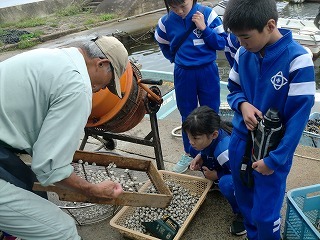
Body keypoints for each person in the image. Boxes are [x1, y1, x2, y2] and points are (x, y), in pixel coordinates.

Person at [0, 35, 127, 240]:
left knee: (31, 188)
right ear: (102, 64)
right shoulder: (78, 85)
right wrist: (92, 190)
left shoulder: (52, 56)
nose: (103, 89)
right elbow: (50, 169)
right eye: (109, 83)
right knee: (63, 231)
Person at [223, 0, 316, 239]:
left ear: (270, 25)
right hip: (240, 141)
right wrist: (242, 105)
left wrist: (275, 160)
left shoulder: (298, 59)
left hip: (271, 150)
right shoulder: (244, 52)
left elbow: (298, 119)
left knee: (266, 215)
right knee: (245, 203)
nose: (241, 44)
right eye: (238, 38)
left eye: (245, 37)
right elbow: (233, 88)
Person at [154, 0, 227, 173]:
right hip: (183, 73)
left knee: (211, 111)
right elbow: (163, 44)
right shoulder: (165, 22)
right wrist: (176, 60)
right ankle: (189, 152)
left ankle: (214, 152)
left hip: (207, 70)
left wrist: (204, 28)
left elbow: (221, 43)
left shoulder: (208, 14)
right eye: (173, 7)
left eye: (183, 6)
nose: (179, 11)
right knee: (187, 114)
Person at [183, 106, 246, 236]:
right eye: (189, 137)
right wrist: (200, 156)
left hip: (245, 176)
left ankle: (244, 214)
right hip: (222, 161)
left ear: (214, 134)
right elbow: (203, 147)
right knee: (193, 150)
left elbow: (243, 175)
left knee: (226, 183)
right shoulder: (210, 138)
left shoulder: (224, 151)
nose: (191, 141)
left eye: (195, 138)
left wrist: (216, 175)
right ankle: (215, 182)